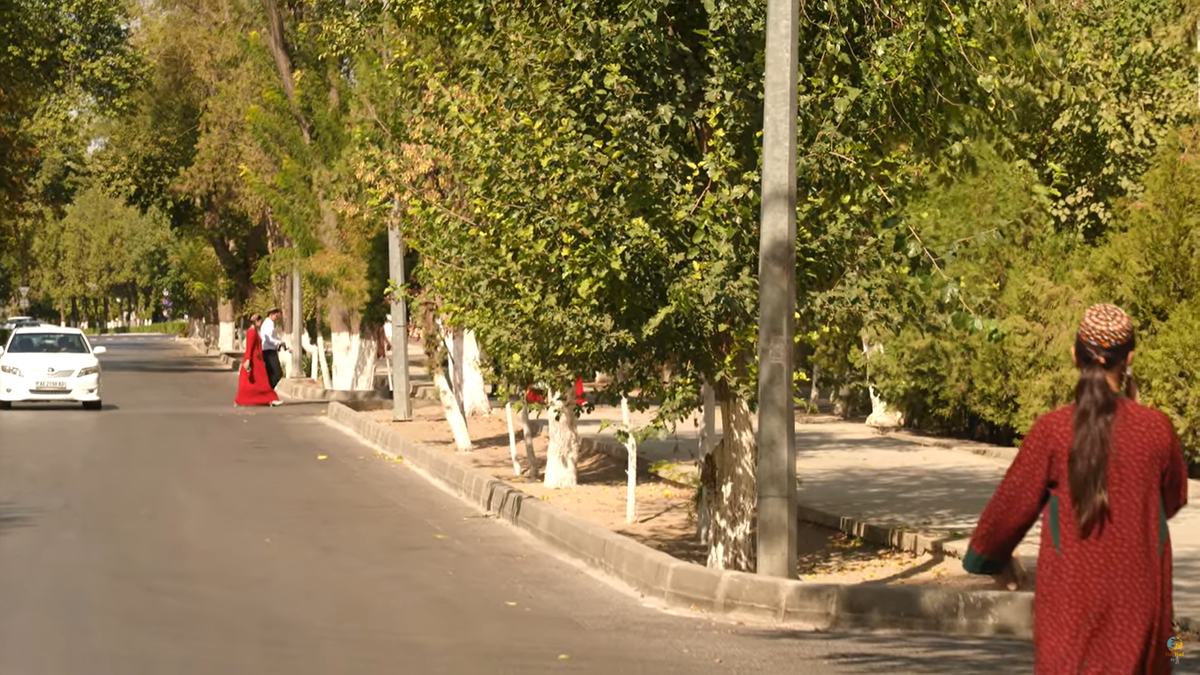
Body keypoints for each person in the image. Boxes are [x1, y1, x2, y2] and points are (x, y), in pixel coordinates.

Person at [963, 303, 1187, 673]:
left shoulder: (1053, 429)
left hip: (1069, 604)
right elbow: (1174, 498)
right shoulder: (1156, 429)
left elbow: (1010, 506)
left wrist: (991, 556)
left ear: (1074, 355)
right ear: (1129, 357)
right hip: (1141, 599)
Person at [235, 314, 281, 407]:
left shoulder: (253, 331)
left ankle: (267, 398)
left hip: (257, 359)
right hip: (254, 361)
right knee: (261, 381)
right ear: (256, 321)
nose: (260, 323)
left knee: (256, 382)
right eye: (259, 321)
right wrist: (248, 359)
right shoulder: (252, 332)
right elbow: (249, 347)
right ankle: (270, 398)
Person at [260, 307, 285, 390]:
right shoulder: (267, 324)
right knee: (277, 373)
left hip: (271, 350)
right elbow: (269, 339)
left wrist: (280, 341)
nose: (276, 317)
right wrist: (278, 342)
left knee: (270, 373)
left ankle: (268, 392)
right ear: (271, 315)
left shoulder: (270, 324)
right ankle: (268, 390)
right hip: (269, 351)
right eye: (275, 315)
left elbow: (274, 337)